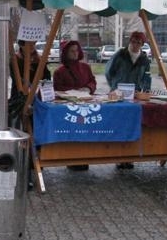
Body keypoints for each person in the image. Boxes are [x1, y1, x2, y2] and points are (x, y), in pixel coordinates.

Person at [105, 31, 151, 170]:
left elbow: (147, 77)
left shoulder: (144, 59)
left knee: (132, 125)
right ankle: (119, 157)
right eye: (133, 41)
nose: (135, 44)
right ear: (129, 41)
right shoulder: (120, 55)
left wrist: (145, 90)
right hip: (118, 96)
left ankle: (130, 156)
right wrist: (114, 86)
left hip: (135, 97)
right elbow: (108, 72)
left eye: (138, 42)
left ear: (142, 44)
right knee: (118, 125)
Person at [53, 40, 97, 171]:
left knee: (87, 133)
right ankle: (72, 158)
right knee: (73, 134)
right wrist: (73, 92)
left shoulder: (86, 67)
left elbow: (93, 81)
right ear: (66, 53)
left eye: (77, 50)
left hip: (87, 105)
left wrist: (88, 89)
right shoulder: (59, 71)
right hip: (70, 108)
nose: (75, 53)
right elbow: (57, 89)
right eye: (72, 51)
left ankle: (84, 158)